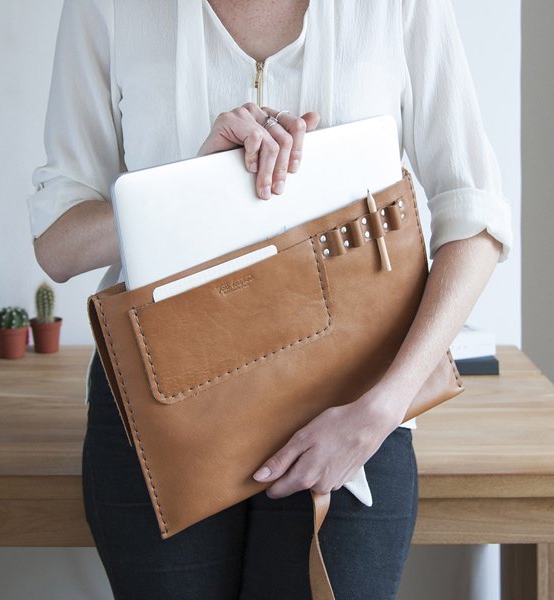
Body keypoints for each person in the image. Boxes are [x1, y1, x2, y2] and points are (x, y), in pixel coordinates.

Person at [28, 1, 513, 598]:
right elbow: (58, 244)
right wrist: (192, 187)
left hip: (358, 409)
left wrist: (383, 409)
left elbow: (475, 216)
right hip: (164, 411)